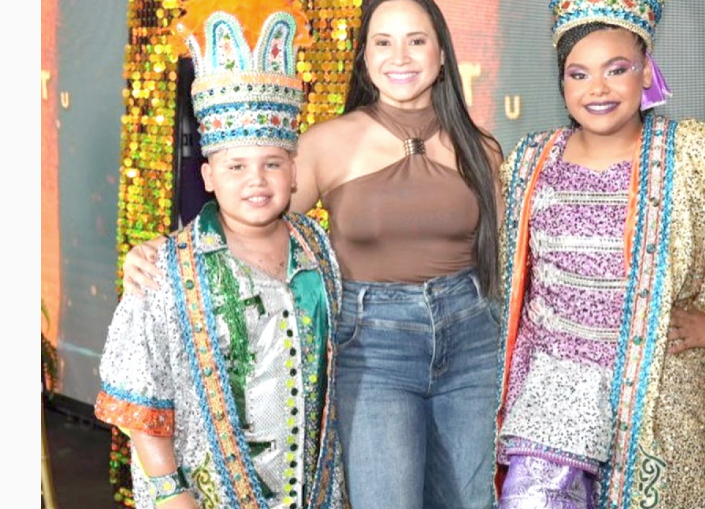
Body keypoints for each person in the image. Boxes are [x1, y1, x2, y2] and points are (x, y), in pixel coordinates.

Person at [121, 1, 504, 508]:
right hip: (373, 350)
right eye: (383, 42)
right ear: (364, 55)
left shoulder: (482, 149)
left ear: (441, 53)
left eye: (416, 40)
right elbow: (248, 211)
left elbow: (503, 259)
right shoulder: (325, 144)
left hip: (473, 339)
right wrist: (165, 253)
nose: (400, 56)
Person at [493, 1, 705, 508]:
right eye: (579, 74)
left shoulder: (698, 156)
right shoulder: (530, 160)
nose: (597, 89)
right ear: (562, 82)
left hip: (663, 395)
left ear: (646, 71)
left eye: (616, 69)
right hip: (555, 393)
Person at [95, 10, 347, 509]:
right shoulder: (164, 268)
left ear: (294, 172)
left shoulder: (317, 248)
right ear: (208, 175)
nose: (256, 181)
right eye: (236, 166)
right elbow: (141, 395)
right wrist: (172, 494)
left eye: (271, 163)